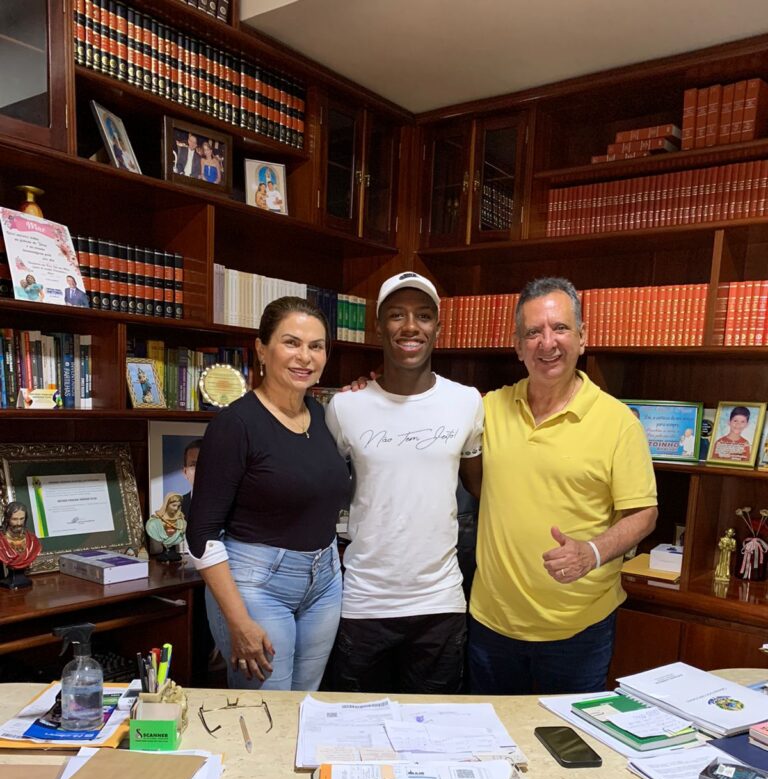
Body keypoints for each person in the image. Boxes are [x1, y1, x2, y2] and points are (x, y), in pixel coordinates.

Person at [468, 276, 658, 696]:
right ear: (518, 347)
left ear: (582, 338)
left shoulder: (618, 422)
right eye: (533, 332)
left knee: (569, 738)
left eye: (560, 328)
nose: (547, 343)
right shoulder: (486, 410)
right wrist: (372, 385)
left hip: (578, 631)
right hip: (492, 626)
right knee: (491, 734)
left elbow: (644, 513)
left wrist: (592, 553)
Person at [325, 271, 484, 695]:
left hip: (440, 603)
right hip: (364, 602)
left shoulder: (467, 402)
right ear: (378, 326)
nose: (411, 326)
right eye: (397, 315)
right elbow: (322, 490)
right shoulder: (345, 406)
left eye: (423, 316)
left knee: (433, 727)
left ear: (438, 327)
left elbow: (482, 488)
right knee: (356, 726)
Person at [186, 296, 351, 691]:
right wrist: (238, 620)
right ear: (261, 349)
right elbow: (200, 534)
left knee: (304, 705)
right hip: (256, 586)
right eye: (291, 342)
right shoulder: (235, 425)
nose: (305, 357)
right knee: (266, 713)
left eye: (316, 346)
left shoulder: (323, 416)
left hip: (325, 581)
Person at [0, 501, 42, 582]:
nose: (19, 523)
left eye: (22, 519)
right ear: (7, 519)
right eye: (14, 519)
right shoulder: (1, 540)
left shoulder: (33, 540)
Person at [145, 493, 187, 558]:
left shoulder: (182, 522)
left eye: (178, 506)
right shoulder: (154, 522)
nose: (176, 508)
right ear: (167, 504)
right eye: (174, 505)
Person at [180, 438, 202, 518]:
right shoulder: (175, 507)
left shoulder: (231, 507)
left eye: (205, 464)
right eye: (193, 465)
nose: (200, 470)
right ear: (185, 472)